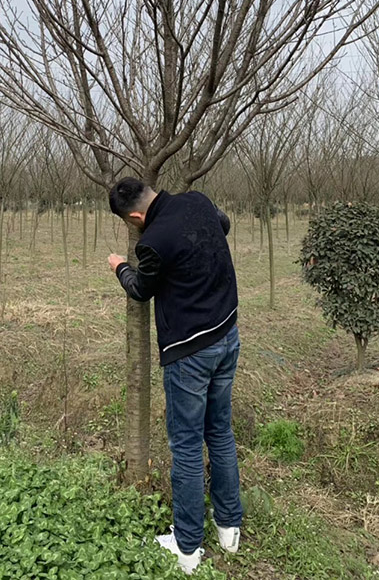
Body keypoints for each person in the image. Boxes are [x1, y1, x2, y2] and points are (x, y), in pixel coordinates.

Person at [107, 177, 242, 576]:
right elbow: (223, 224)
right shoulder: (198, 200)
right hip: (227, 333)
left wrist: (120, 267)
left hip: (190, 354)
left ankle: (186, 548)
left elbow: (141, 290)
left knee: (185, 446)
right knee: (219, 431)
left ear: (135, 217)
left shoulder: (153, 242)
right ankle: (228, 526)